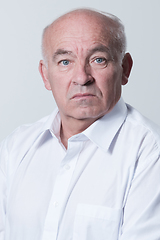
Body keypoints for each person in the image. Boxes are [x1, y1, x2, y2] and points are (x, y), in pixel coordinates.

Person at [0, 8, 160, 240]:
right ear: (45, 75)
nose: (82, 77)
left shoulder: (150, 152)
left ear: (125, 68)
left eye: (98, 60)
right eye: (65, 61)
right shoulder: (16, 147)